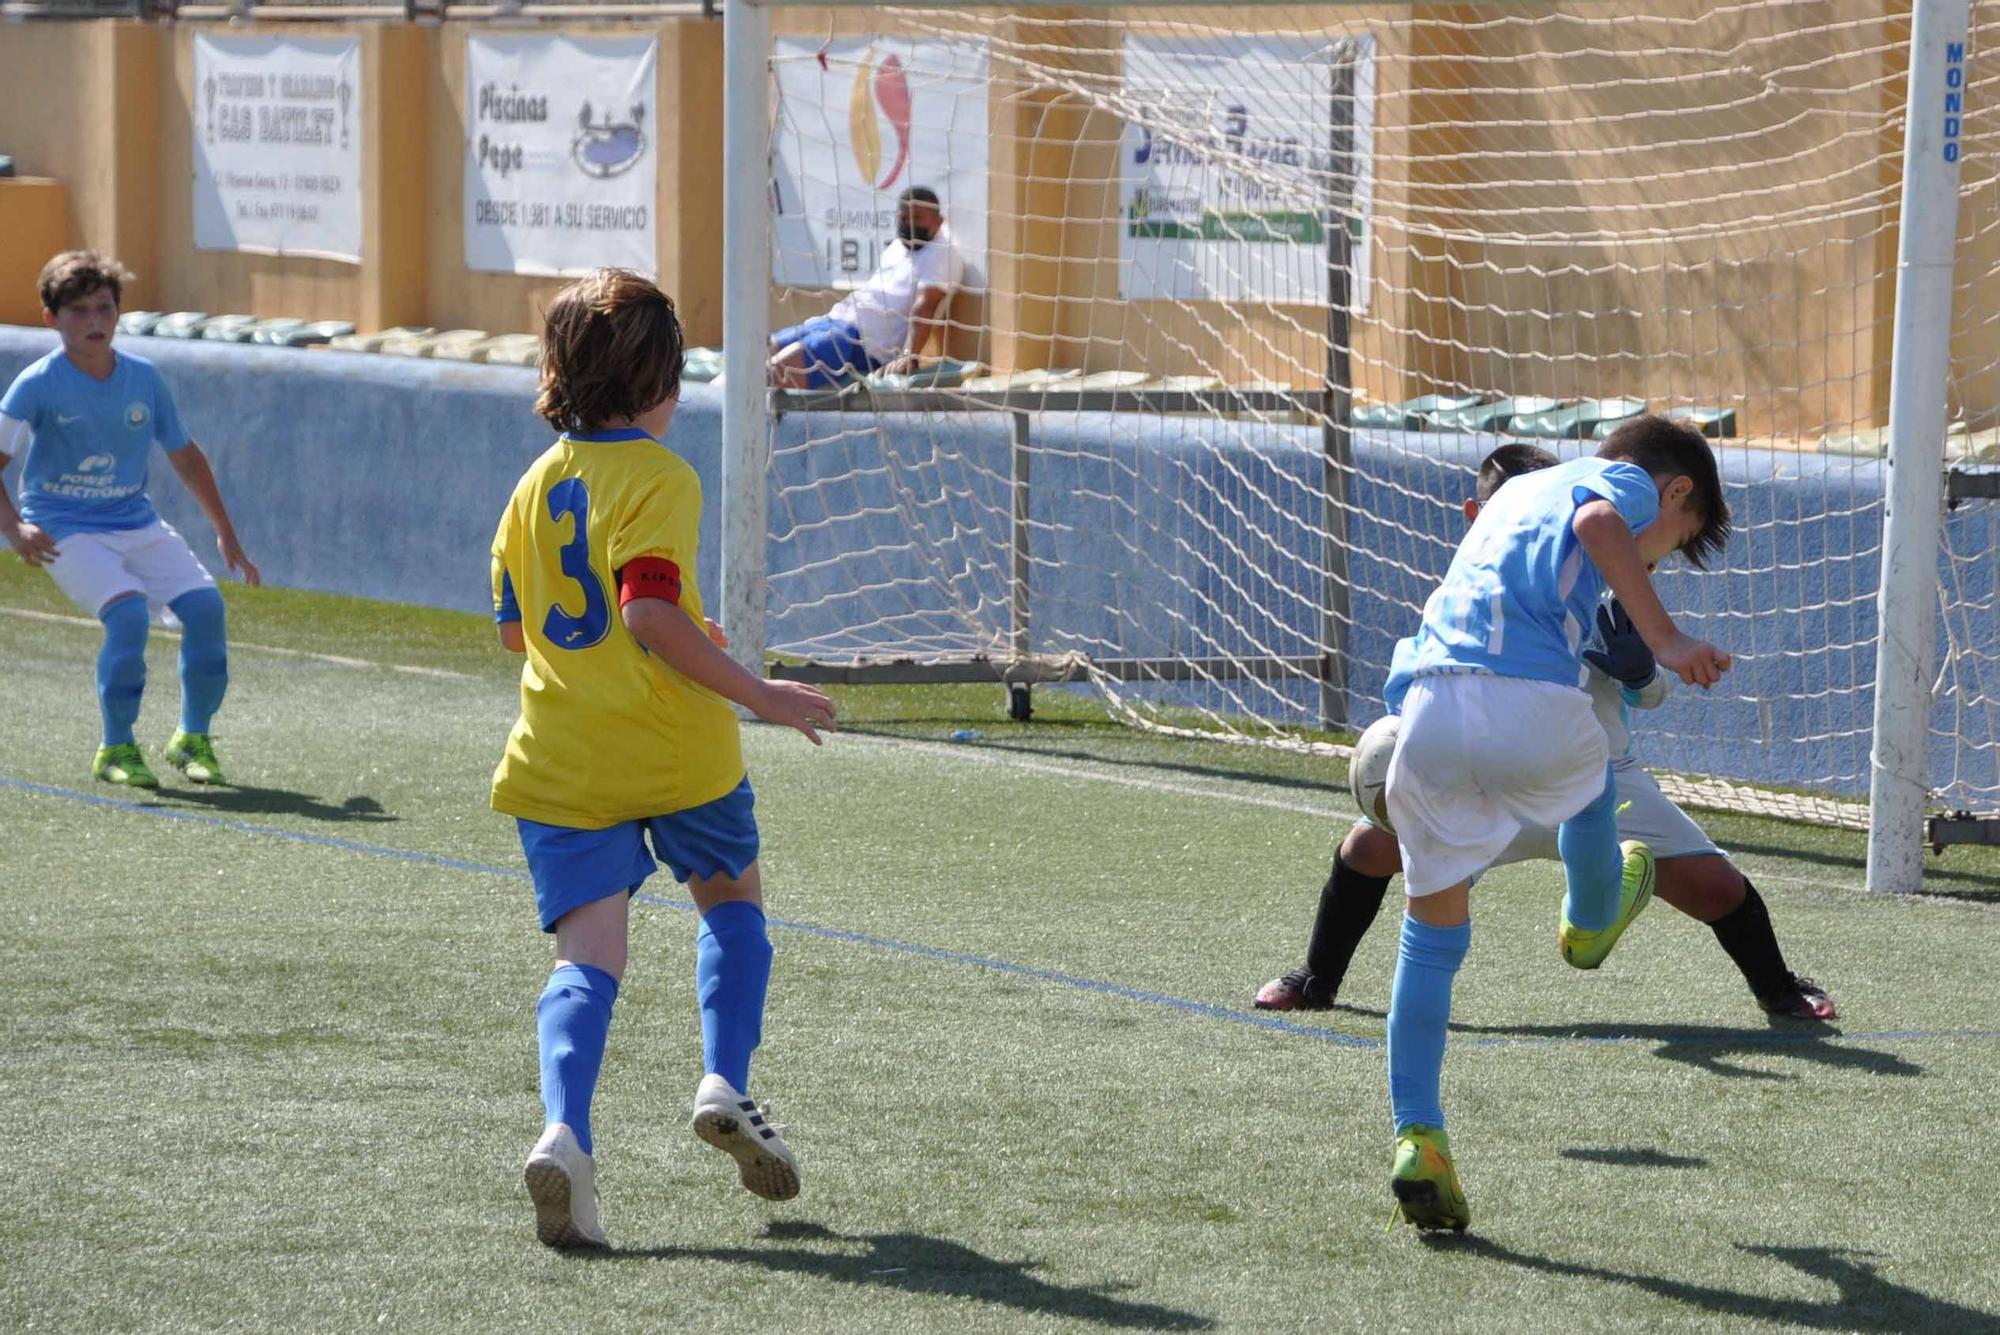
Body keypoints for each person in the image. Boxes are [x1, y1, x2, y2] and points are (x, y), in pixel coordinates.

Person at [491, 268, 838, 1249]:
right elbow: (643, 613)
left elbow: (523, 632)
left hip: (562, 759)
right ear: (658, 382)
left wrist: (674, 619)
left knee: (585, 961)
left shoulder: (531, 488)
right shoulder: (660, 475)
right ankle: (724, 1080)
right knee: (732, 905)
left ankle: (564, 1135)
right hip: (677, 750)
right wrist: (758, 691)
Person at [1256, 444, 1834, 1023]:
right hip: (1486, 777)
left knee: (1718, 889)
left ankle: (1779, 990)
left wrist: (1639, 671)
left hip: (1596, 776)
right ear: (1475, 515)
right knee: (1366, 848)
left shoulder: (1606, 567)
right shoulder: (1470, 592)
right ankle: (1316, 978)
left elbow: (1652, 691)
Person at [1373, 416, 1734, 1232]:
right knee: (1596, 770)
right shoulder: (1626, 482)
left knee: (1428, 941)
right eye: (1676, 541)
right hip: (1524, 695)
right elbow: (1604, 524)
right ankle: (1589, 919)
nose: (1661, 556)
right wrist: (1667, 637)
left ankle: (1418, 1135)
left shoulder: (1513, 495)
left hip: (1425, 710)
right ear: (1674, 492)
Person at [0, 250, 260, 789]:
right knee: (129, 618)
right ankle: (116, 746)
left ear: (119, 312)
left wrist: (226, 531)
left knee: (208, 609)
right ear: (51, 319)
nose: (94, 322)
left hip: (135, 521)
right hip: (62, 527)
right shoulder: (37, 384)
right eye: (78, 311)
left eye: (103, 308)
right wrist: (14, 529)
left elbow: (185, 456)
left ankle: (193, 738)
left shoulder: (144, 378)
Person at [768, 185, 962, 388]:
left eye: (918, 218)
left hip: (858, 343)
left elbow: (925, 307)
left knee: (773, 373)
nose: (910, 224)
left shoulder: (942, 251)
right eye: (904, 218)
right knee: (760, 352)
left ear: (938, 221)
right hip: (833, 321)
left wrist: (909, 356)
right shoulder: (898, 246)